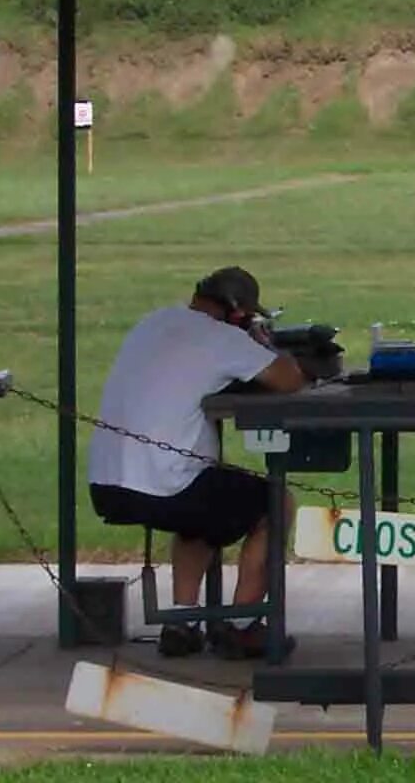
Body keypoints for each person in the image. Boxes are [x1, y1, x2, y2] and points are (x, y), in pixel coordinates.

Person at [88, 267, 305, 659]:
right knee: (277, 503)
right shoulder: (222, 338)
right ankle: (243, 625)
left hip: (109, 483)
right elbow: (289, 379)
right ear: (238, 314)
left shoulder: (152, 321)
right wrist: (263, 344)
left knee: (203, 509)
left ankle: (182, 622)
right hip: (165, 483)